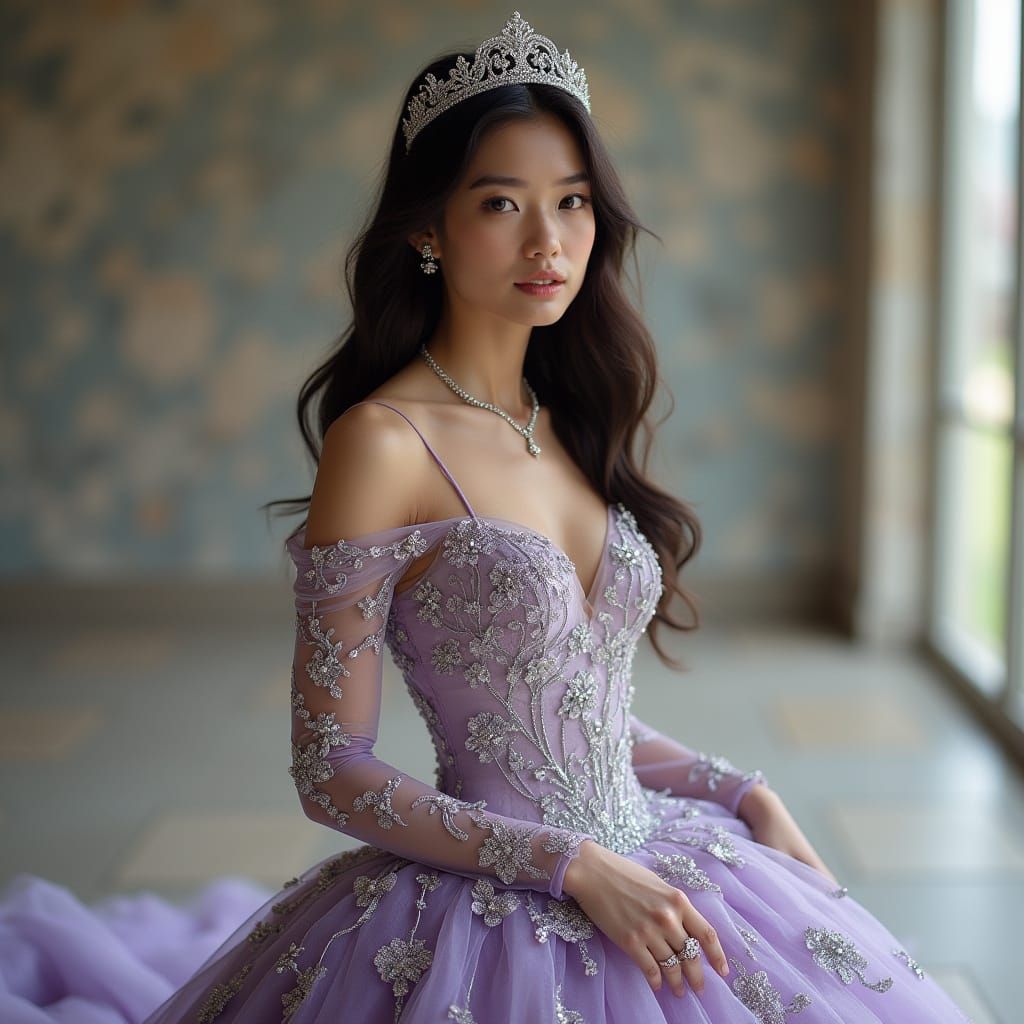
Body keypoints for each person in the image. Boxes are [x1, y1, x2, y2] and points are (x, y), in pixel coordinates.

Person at [0, 11, 972, 1023]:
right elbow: (331, 769)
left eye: (574, 203)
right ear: (427, 227)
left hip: (645, 840)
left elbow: (562, 717)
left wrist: (741, 790)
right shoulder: (382, 442)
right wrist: (569, 865)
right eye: (502, 203)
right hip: (490, 899)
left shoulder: (566, 417)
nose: (548, 242)